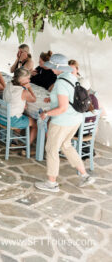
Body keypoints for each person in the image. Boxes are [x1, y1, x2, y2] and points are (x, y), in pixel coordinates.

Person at [35, 53, 95, 192]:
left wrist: (47, 113)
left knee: (51, 149)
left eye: (52, 66)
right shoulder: (71, 77)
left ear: (57, 67)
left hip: (62, 121)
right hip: (75, 119)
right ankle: (85, 175)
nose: (50, 68)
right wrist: (52, 101)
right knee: (66, 145)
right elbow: (69, 99)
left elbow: (62, 108)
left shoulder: (61, 82)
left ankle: (51, 183)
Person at [3, 67, 37, 145]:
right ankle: (27, 146)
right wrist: (29, 88)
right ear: (21, 79)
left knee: (22, 116)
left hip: (2, 116)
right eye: (28, 78)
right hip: (12, 121)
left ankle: (15, 140)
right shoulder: (23, 92)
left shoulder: (9, 84)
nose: (29, 80)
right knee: (35, 123)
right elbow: (34, 99)